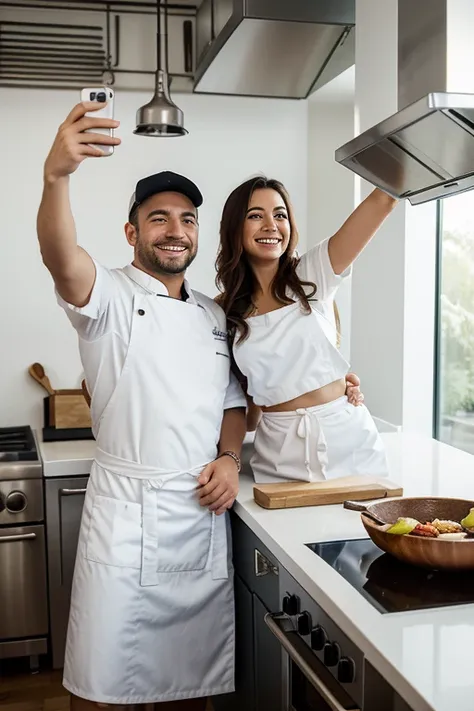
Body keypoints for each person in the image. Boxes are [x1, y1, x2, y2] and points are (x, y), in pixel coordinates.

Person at [36, 101, 247, 711]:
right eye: (159, 219)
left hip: (198, 517)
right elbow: (59, 254)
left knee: (191, 691)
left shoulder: (213, 314)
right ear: (133, 232)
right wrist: (57, 177)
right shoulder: (106, 295)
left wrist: (230, 459)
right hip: (125, 523)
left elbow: (233, 401)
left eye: (187, 219)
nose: (175, 230)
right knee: (100, 686)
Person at [216, 176, 397, 484]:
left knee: (360, 530)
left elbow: (383, 200)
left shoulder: (312, 272)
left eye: (280, 215)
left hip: (348, 440)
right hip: (278, 451)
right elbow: (246, 413)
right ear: (235, 227)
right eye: (255, 215)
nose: (271, 225)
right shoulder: (225, 309)